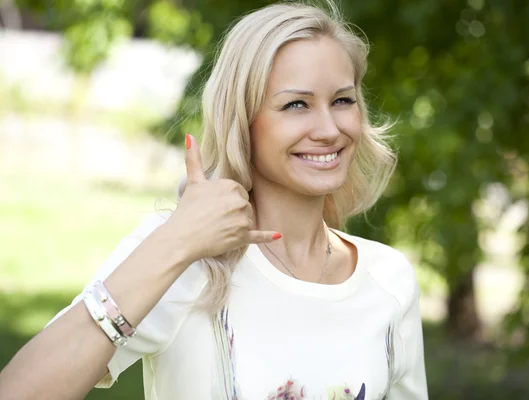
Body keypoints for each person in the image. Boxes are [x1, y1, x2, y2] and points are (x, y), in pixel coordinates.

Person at [0, 2, 428, 399]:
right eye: (296, 104)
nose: (328, 128)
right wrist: (177, 243)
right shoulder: (184, 260)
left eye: (342, 101)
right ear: (243, 120)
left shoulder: (388, 282)